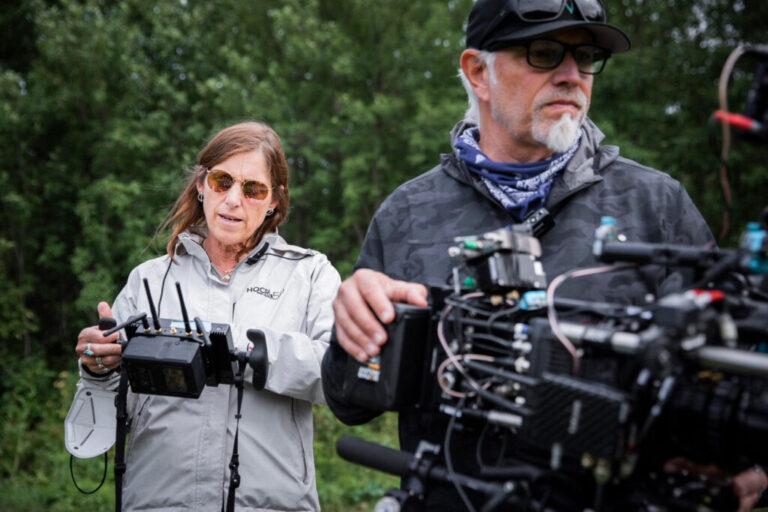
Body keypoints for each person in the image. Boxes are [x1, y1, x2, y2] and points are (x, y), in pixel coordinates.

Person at [321, 0, 767, 510]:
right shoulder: (407, 212)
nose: (573, 75)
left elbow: (740, 378)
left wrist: (754, 468)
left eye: (586, 57)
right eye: (545, 52)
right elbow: (346, 403)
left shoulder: (656, 204)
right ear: (478, 72)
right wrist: (352, 330)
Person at [69, 121, 340, 511]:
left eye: (253, 189)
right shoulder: (148, 279)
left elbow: (339, 375)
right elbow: (105, 420)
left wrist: (240, 353)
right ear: (201, 185)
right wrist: (98, 368)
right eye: (222, 181)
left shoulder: (309, 273)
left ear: (275, 201)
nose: (233, 200)